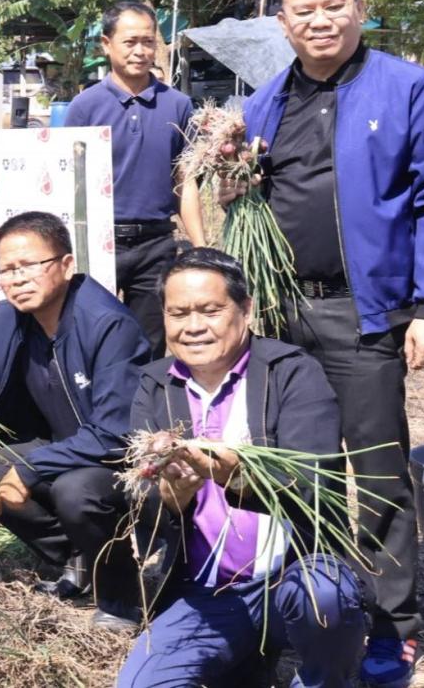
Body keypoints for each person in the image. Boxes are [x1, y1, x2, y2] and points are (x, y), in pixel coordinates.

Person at [222, 0, 424, 687]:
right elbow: (236, 208)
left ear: (359, 7)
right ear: (282, 21)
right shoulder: (262, 106)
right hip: (282, 314)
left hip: (366, 310)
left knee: (380, 469)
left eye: (334, 4)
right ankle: (308, 607)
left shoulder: (411, 88)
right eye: (304, 9)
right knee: (293, 466)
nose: (320, 19)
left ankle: (393, 628)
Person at [117, 247, 366, 687]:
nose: (194, 326)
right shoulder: (155, 385)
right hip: (209, 591)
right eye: (179, 313)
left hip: (293, 573)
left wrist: (229, 470)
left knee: (325, 596)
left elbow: (307, 483)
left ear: (245, 309)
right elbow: (143, 507)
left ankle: (326, 680)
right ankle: (244, 658)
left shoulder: (291, 373)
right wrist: (172, 497)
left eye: (210, 310)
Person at [0, 211, 149, 630]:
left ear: (67, 265)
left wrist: (29, 468)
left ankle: (124, 593)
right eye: (7, 269)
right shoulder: (9, 318)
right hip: (62, 448)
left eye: (29, 266)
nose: (17, 279)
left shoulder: (108, 325)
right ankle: (77, 557)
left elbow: (114, 435)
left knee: (76, 492)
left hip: (117, 463)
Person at [64, 2, 203, 359]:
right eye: (129, 42)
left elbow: (184, 181)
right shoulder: (85, 107)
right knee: (93, 340)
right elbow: (69, 181)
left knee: (149, 345)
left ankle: (143, 412)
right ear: (107, 45)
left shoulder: (179, 105)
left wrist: (201, 248)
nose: (140, 51)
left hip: (156, 244)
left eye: (147, 41)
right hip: (99, 242)